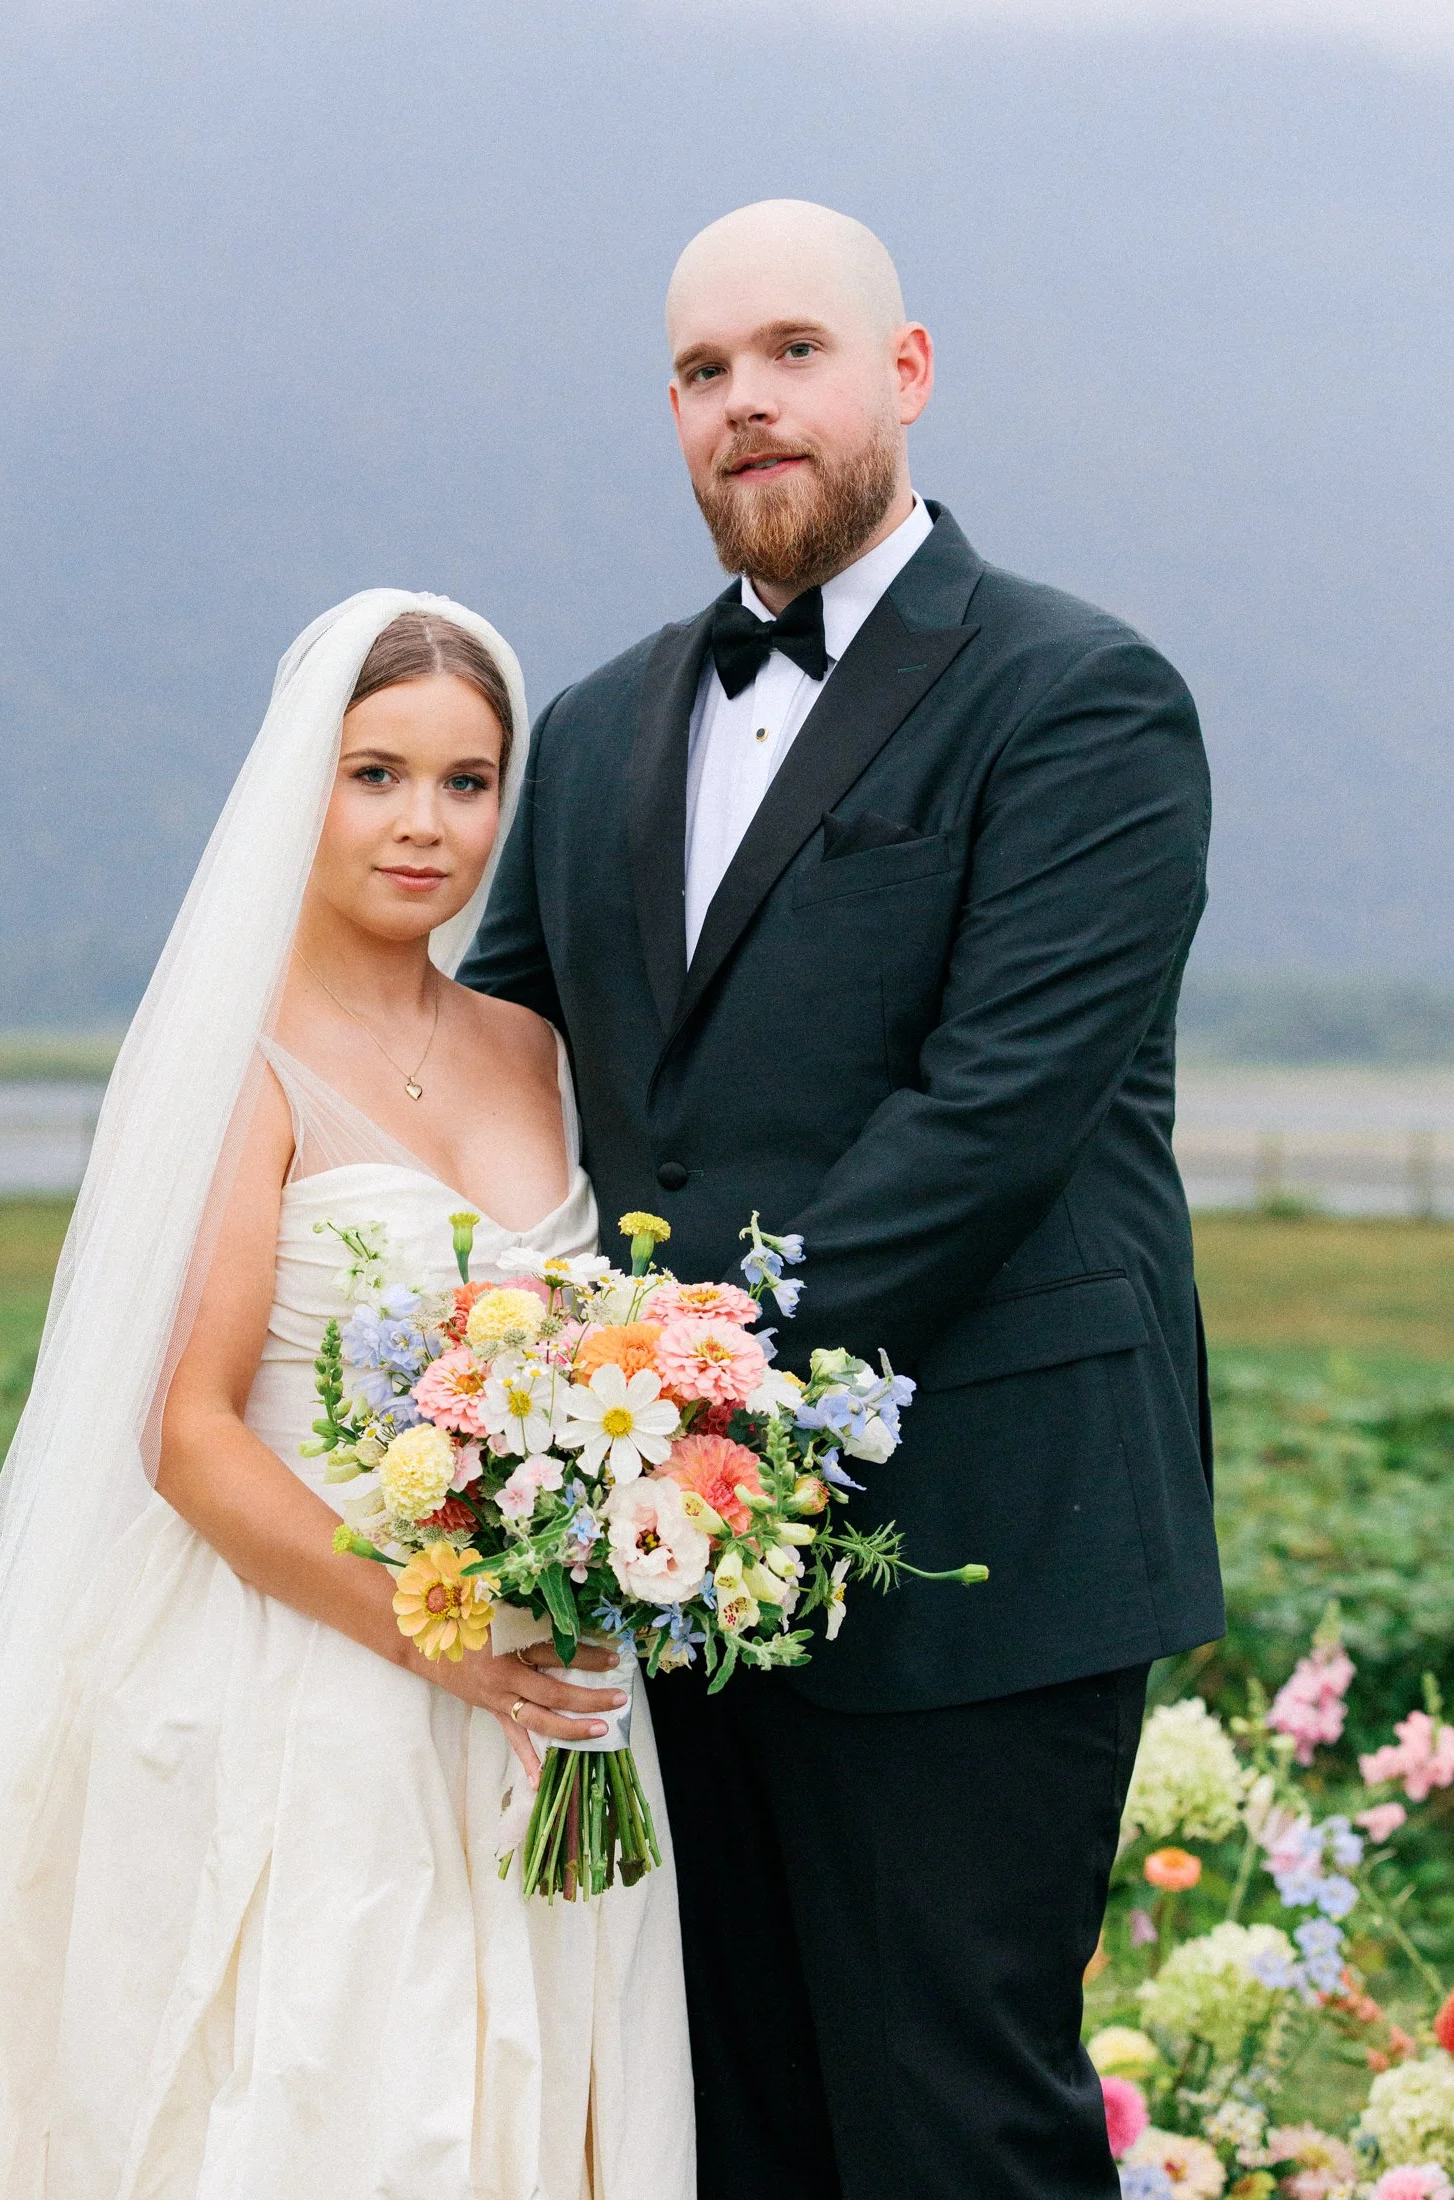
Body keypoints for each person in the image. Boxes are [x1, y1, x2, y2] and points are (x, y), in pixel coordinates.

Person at [461, 200, 1226, 2199]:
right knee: (731, 2117)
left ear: (905, 371)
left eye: (791, 350)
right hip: (650, 1555)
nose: (746, 403)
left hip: (981, 1539)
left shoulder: (1082, 697)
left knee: (953, 2122)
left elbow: (988, 1122)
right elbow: (499, 1078)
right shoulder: (595, 730)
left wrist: (670, 1377)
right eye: (704, 372)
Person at [0, 595, 695, 2200]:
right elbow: (185, 1430)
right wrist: (441, 1643)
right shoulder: (240, 1057)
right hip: (306, 1672)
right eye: (377, 774)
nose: (425, 824)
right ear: (306, 785)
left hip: (543, 1700)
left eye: (468, 782)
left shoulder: (535, 1053)